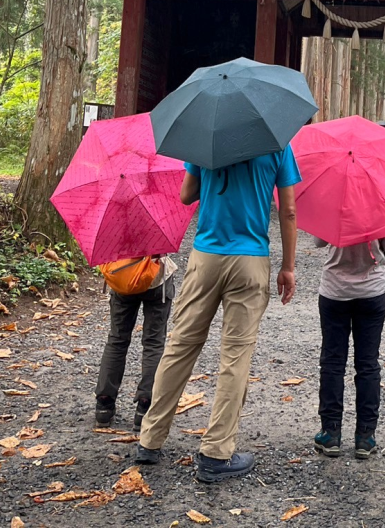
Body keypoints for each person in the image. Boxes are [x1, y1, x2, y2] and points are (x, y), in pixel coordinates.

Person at [134, 147, 300, 482]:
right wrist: (288, 267)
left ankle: (149, 440)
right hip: (251, 258)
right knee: (236, 357)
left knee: (180, 346)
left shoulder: (207, 139)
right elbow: (289, 211)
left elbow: (186, 195)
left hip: (206, 256)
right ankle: (216, 453)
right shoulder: (277, 143)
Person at [312, 234, 385, 460]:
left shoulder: (331, 201)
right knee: (368, 364)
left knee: (332, 362)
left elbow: (319, 242)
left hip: (335, 291)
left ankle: (330, 433)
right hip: (371, 292)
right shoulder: (381, 204)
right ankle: (365, 436)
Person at [95, 256, 176, 429]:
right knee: (154, 343)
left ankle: (104, 402)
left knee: (117, 340)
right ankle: (145, 406)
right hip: (156, 279)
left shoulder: (113, 227)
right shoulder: (161, 228)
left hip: (122, 275)